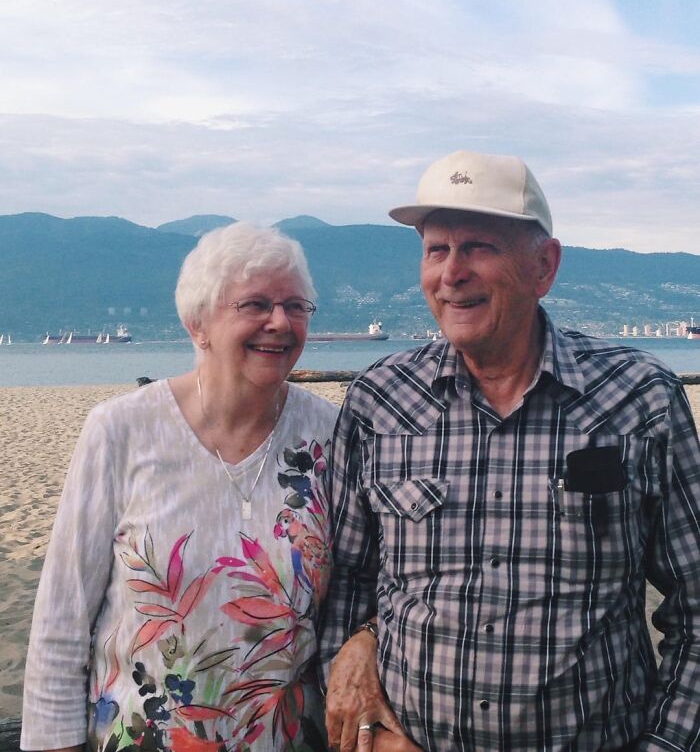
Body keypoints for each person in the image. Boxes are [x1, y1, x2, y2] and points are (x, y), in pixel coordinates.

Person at [320, 150, 700, 751]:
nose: (452, 273)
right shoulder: (380, 400)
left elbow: (695, 606)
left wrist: (667, 745)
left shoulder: (639, 397)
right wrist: (364, 725)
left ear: (543, 266)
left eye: (478, 247)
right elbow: (346, 584)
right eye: (437, 250)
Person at [22, 222, 339, 751]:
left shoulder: (330, 435)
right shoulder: (121, 430)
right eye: (256, 304)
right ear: (198, 324)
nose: (280, 322)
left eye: (296, 306)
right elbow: (62, 618)